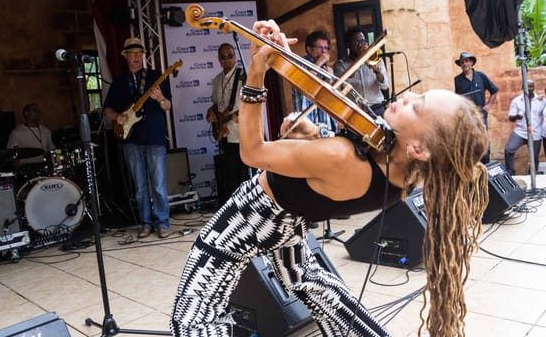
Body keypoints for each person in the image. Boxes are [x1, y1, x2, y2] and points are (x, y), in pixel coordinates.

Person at [170, 20, 490, 337]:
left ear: (419, 148)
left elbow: (253, 152)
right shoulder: (404, 173)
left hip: (253, 215)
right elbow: (334, 172)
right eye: (417, 95)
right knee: (312, 284)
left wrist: (255, 75)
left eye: (417, 108)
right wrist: (314, 133)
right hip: (291, 219)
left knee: (194, 319)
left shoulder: (341, 157)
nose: (406, 98)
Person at [103, 37, 173, 239]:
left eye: (139, 54)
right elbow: (107, 109)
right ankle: (145, 223)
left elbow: (168, 106)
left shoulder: (156, 77)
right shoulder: (119, 82)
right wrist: (118, 116)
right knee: (140, 187)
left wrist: (160, 98)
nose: (135, 58)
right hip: (131, 140)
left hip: (154, 137)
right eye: (131, 54)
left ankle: (163, 222)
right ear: (125, 57)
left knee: (158, 185)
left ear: (143, 56)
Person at [206, 43, 249, 205]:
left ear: (235, 56)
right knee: (229, 173)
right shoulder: (217, 80)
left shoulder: (243, 75)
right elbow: (217, 104)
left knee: (242, 173)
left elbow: (252, 103)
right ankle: (234, 206)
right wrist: (211, 112)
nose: (227, 60)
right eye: (223, 57)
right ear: (219, 59)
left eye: (230, 56)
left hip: (240, 132)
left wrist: (238, 115)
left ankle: (246, 206)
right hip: (224, 132)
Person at [454, 51, 499, 163]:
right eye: (462, 62)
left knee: (484, 142)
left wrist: (488, 105)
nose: (464, 64)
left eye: (466, 61)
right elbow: (458, 99)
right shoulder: (457, 80)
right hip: (467, 117)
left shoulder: (481, 76)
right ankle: (475, 171)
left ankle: (486, 170)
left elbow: (494, 90)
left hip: (481, 115)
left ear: (472, 63)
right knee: (470, 144)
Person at [333, 26, 389, 117]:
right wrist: (360, 59)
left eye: (362, 41)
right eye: (355, 43)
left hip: (377, 108)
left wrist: (377, 72)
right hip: (355, 111)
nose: (360, 45)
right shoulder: (340, 65)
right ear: (348, 45)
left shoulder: (376, 60)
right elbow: (343, 86)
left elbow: (385, 86)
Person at [291, 30, 337, 136]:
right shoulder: (300, 63)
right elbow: (305, 84)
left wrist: (330, 79)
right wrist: (319, 63)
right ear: (309, 49)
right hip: (306, 123)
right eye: (320, 48)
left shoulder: (326, 68)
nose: (323, 52)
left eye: (326, 48)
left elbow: (331, 97)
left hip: (326, 124)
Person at [504, 80, 544, 175]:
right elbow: (511, 118)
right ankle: (510, 173)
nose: (529, 89)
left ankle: (532, 176)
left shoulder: (541, 101)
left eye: (531, 86)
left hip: (535, 133)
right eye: (527, 87)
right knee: (509, 150)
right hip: (520, 132)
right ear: (523, 87)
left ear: (534, 87)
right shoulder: (517, 101)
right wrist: (517, 116)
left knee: (534, 158)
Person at [6, 103, 56, 167]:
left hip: (44, 165)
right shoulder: (17, 132)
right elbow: (10, 154)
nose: (38, 113)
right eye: (35, 111)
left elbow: (52, 150)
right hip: (26, 167)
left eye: (38, 111)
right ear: (26, 113)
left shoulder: (45, 130)